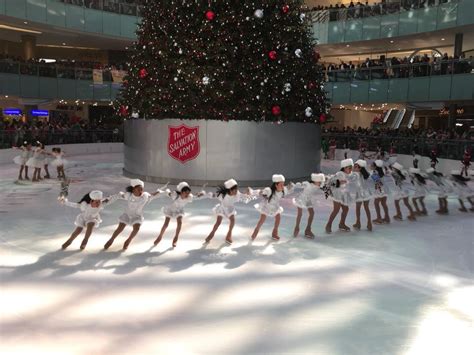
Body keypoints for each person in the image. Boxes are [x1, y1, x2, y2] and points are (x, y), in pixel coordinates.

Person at [104, 179, 164, 250]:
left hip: (137, 216)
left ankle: (128, 240)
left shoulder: (145, 196)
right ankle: (111, 239)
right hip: (127, 214)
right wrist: (108, 198)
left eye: (142, 189)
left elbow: (152, 194)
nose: (140, 191)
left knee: (136, 228)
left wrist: (159, 191)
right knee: (120, 228)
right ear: (133, 190)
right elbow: (118, 195)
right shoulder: (128, 195)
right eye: (138, 189)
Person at [154, 182, 209, 248]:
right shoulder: (175, 195)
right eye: (186, 193)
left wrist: (200, 194)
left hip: (179, 211)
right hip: (170, 210)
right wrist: (163, 191)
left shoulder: (189, 197)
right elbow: (167, 193)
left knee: (179, 223)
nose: (187, 194)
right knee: (166, 224)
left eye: (188, 193)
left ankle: (176, 238)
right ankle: (160, 236)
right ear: (182, 192)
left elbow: (195, 197)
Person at [204, 179, 255, 245]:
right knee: (218, 222)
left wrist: (248, 193)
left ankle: (229, 235)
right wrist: (204, 194)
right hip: (222, 208)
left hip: (230, 208)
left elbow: (244, 198)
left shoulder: (237, 194)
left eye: (237, 189)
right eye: (235, 190)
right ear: (230, 190)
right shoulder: (223, 195)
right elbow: (213, 195)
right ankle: (212, 233)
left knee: (232, 220)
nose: (236, 191)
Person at [251, 174, 294, 241]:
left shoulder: (283, 190)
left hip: (275, 207)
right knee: (262, 219)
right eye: (281, 185)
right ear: (276, 185)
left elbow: (288, 188)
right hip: (266, 206)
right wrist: (252, 191)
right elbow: (260, 192)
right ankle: (256, 230)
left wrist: (291, 185)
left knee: (278, 217)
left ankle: (274, 232)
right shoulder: (269, 191)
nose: (283, 186)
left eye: (283, 184)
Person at [292, 173, 325, 238]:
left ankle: (308, 229)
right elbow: (299, 185)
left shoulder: (318, 185)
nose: (320, 183)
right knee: (300, 214)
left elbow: (324, 184)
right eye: (319, 181)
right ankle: (297, 227)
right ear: (314, 180)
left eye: (320, 182)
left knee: (312, 213)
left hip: (309, 199)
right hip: (302, 198)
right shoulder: (307, 184)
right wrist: (292, 185)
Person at [325, 159, 353, 233]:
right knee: (336, 209)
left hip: (344, 194)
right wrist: (339, 182)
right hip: (337, 194)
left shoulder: (349, 174)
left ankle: (342, 223)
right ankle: (328, 224)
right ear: (344, 167)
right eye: (349, 168)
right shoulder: (340, 173)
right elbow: (331, 182)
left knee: (346, 209)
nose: (351, 170)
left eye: (351, 168)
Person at [352, 160, 373, 231]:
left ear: (360, 167)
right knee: (366, 208)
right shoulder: (366, 174)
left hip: (360, 193)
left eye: (355, 166)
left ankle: (358, 223)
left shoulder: (356, 174)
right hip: (366, 193)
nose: (354, 167)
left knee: (358, 208)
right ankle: (369, 223)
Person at [371, 160, 390, 224]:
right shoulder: (382, 171)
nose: (371, 166)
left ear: (375, 166)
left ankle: (379, 218)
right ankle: (387, 217)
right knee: (383, 203)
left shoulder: (375, 172)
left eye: (372, 165)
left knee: (376, 203)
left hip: (380, 189)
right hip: (385, 188)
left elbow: (378, 182)